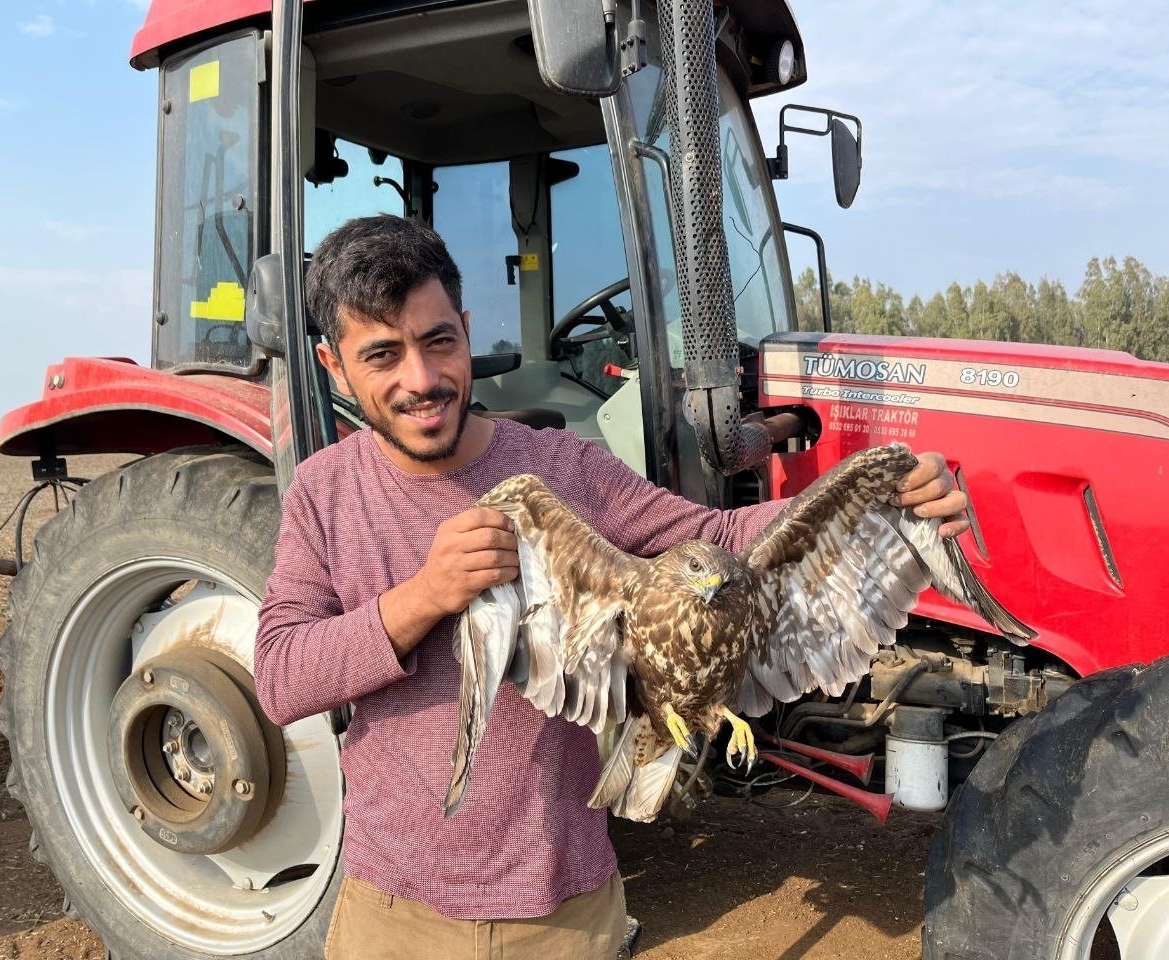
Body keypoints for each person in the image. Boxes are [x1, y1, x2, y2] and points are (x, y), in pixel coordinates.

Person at [253, 214, 969, 960]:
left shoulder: (567, 469)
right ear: (334, 367)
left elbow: (714, 542)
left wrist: (875, 501)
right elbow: (279, 678)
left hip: (567, 910)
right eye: (383, 355)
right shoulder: (322, 492)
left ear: (465, 330)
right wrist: (426, 595)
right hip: (398, 916)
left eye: (439, 342)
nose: (422, 379)